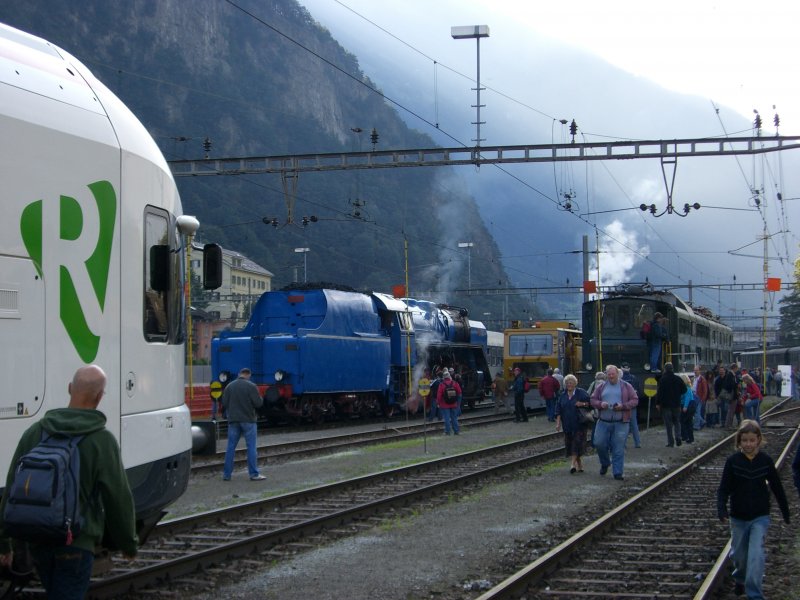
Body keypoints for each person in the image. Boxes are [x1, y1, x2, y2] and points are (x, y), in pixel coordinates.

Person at [0, 365, 138, 600]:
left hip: (39, 539)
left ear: (69, 389)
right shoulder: (101, 440)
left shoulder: (36, 432)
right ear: (99, 397)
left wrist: (4, 543)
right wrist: (127, 544)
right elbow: (118, 497)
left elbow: (12, 486)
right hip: (76, 542)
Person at [717, 420, 790, 599]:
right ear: (739, 442)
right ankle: (740, 578)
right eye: (744, 441)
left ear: (758, 440)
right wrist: (722, 510)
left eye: (752, 440)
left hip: (760, 516)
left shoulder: (765, 461)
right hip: (738, 517)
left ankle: (754, 594)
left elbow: (777, 487)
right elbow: (724, 488)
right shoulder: (733, 461)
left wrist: (785, 512)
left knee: (756, 554)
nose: (748, 444)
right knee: (740, 556)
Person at [590, 364, 638, 481]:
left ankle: (617, 472)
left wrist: (623, 406)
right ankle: (605, 462)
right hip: (603, 421)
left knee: (618, 447)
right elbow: (592, 399)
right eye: (609, 374)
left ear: (618, 374)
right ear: (606, 375)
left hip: (620, 422)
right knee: (598, 443)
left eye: (613, 374)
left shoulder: (626, 386)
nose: (611, 376)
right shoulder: (601, 387)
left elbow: (635, 400)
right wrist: (600, 404)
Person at [221, 367, 266, 481]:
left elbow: (224, 402)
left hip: (233, 421)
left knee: (230, 447)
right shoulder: (251, 386)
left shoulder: (229, 386)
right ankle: (253, 474)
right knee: (251, 447)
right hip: (248, 421)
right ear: (248, 375)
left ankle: (226, 475)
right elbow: (258, 403)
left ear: (239, 374)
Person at [554, 374, 591, 474]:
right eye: (567, 383)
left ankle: (572, 465)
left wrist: (582, 404)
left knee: (576, 444)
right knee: (571, 444)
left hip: (579, 424)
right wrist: (558, 424)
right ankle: (580, 465)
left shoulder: (581, 393)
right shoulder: (562, 396)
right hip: (567, 425)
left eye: (571, 383)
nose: (569, 385)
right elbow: (558, 411)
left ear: (575, 383)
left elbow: (591, 403)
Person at [655, 362, 686, 447]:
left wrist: (658, 403)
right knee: (677, 422)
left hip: (666, 406)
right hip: (676, 404)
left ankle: (671, 442)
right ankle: (678, 437)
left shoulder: (662, 380)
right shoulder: (678, 378)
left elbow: (659, 393)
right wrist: (677, 393)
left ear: (665, 369)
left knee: (668, 425)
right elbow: (684, 390)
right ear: (672, 369)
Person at [620, 363, 641, 448]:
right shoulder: (634, 378)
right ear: (629, 368)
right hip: (632, 404)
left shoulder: (620, 380)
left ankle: (624, 444)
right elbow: (638, 390)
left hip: (623, 405)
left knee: (624, 424)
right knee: (634, 424)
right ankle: (637, 443)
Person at [436, 370, 461, 435]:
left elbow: (439, 396)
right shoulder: (455, 383)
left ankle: (447, 432)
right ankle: (456, 431)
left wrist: (438, 403)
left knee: (447, 419)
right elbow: (459, 392)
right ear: (449, 376)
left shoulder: (441, 385)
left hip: (444, 405)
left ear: (443, 377)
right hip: (453, 404)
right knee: (454, 418)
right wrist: (457, 402)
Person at [715, 364, 739, 430]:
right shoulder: (730, 376)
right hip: (727, 396)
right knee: (727, 410)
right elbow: (730, 385)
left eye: (722, 370)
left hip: (728, 395)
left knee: (727, 410)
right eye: (720, 371)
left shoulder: (729, 376)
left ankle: (726, 424)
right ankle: (726, 424)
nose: (721, 372)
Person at [678, 373, 696, 444]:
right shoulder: (685, 387)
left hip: (688, 406)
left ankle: (686, 437)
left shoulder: (687, 388)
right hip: (686, 405)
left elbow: (687, 398)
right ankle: (688, 437)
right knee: (687, 422)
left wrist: (685, 406)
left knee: (685, 421)